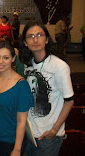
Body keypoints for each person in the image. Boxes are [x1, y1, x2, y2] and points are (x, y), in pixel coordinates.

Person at [19, 21, 74, 156]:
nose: (35, 39)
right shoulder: (28, 65)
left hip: (48, 136)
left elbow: (69, 101)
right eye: (30, 36)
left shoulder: (59, 66)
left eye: (39, 35)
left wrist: (54, 130)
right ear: (25, 43)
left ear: (47, 39)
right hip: (31, 133)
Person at [0, 41, 33, 156]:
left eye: (6, 57)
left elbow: (22, 121)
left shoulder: (21, 86)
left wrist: (17, 149)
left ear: (13, 59)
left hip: (10, 141)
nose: (1, 62)